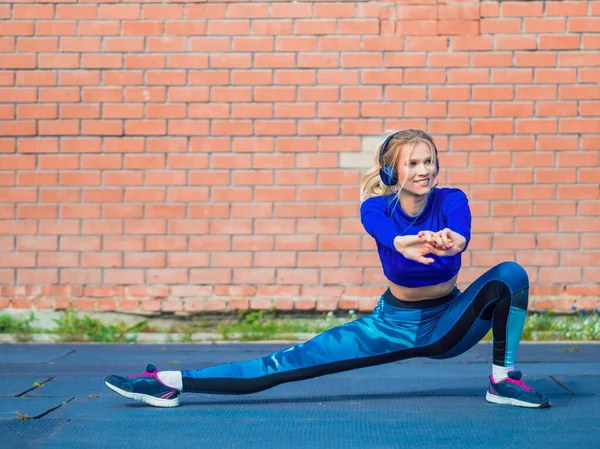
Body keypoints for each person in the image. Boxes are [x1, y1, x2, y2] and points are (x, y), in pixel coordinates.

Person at [104, 129, 550, 409]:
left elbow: (461, 230)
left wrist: (456, 240)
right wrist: (404, 243)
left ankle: (501, 380)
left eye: (429, 160)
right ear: (392, 172)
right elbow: (384, 231)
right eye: (413, 162)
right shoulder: (376, 208)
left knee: (510, 274)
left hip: (452, 322)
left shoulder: (452, 198)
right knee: (284, 363)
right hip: (392, 325)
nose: (424, 169)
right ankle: (166, 381)